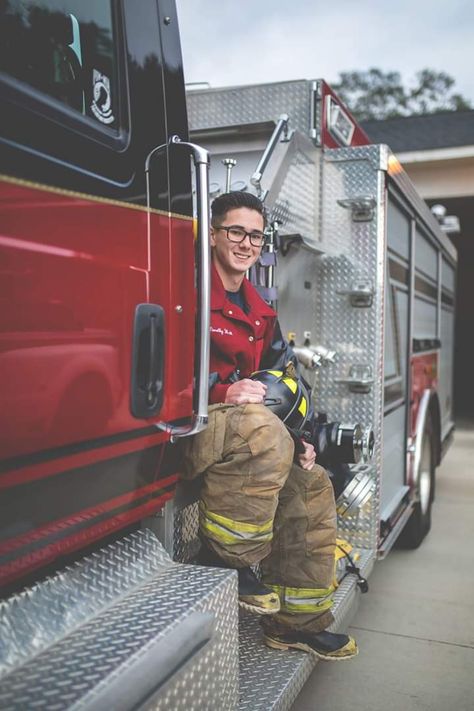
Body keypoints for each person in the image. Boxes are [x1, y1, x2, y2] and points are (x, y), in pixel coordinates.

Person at [181, 191, 357, 661]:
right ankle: (224, 559)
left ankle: (297, 623)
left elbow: (286, 378)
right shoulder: (185, 293)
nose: (245, 243)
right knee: (262, 431)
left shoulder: (259, 310)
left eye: (255, 235)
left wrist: (302, 438)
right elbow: (158, 369)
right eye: (235, 231)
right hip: (190, 428)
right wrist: (221, 392)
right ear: (213, 234)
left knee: (312, 483)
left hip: (248, 432)